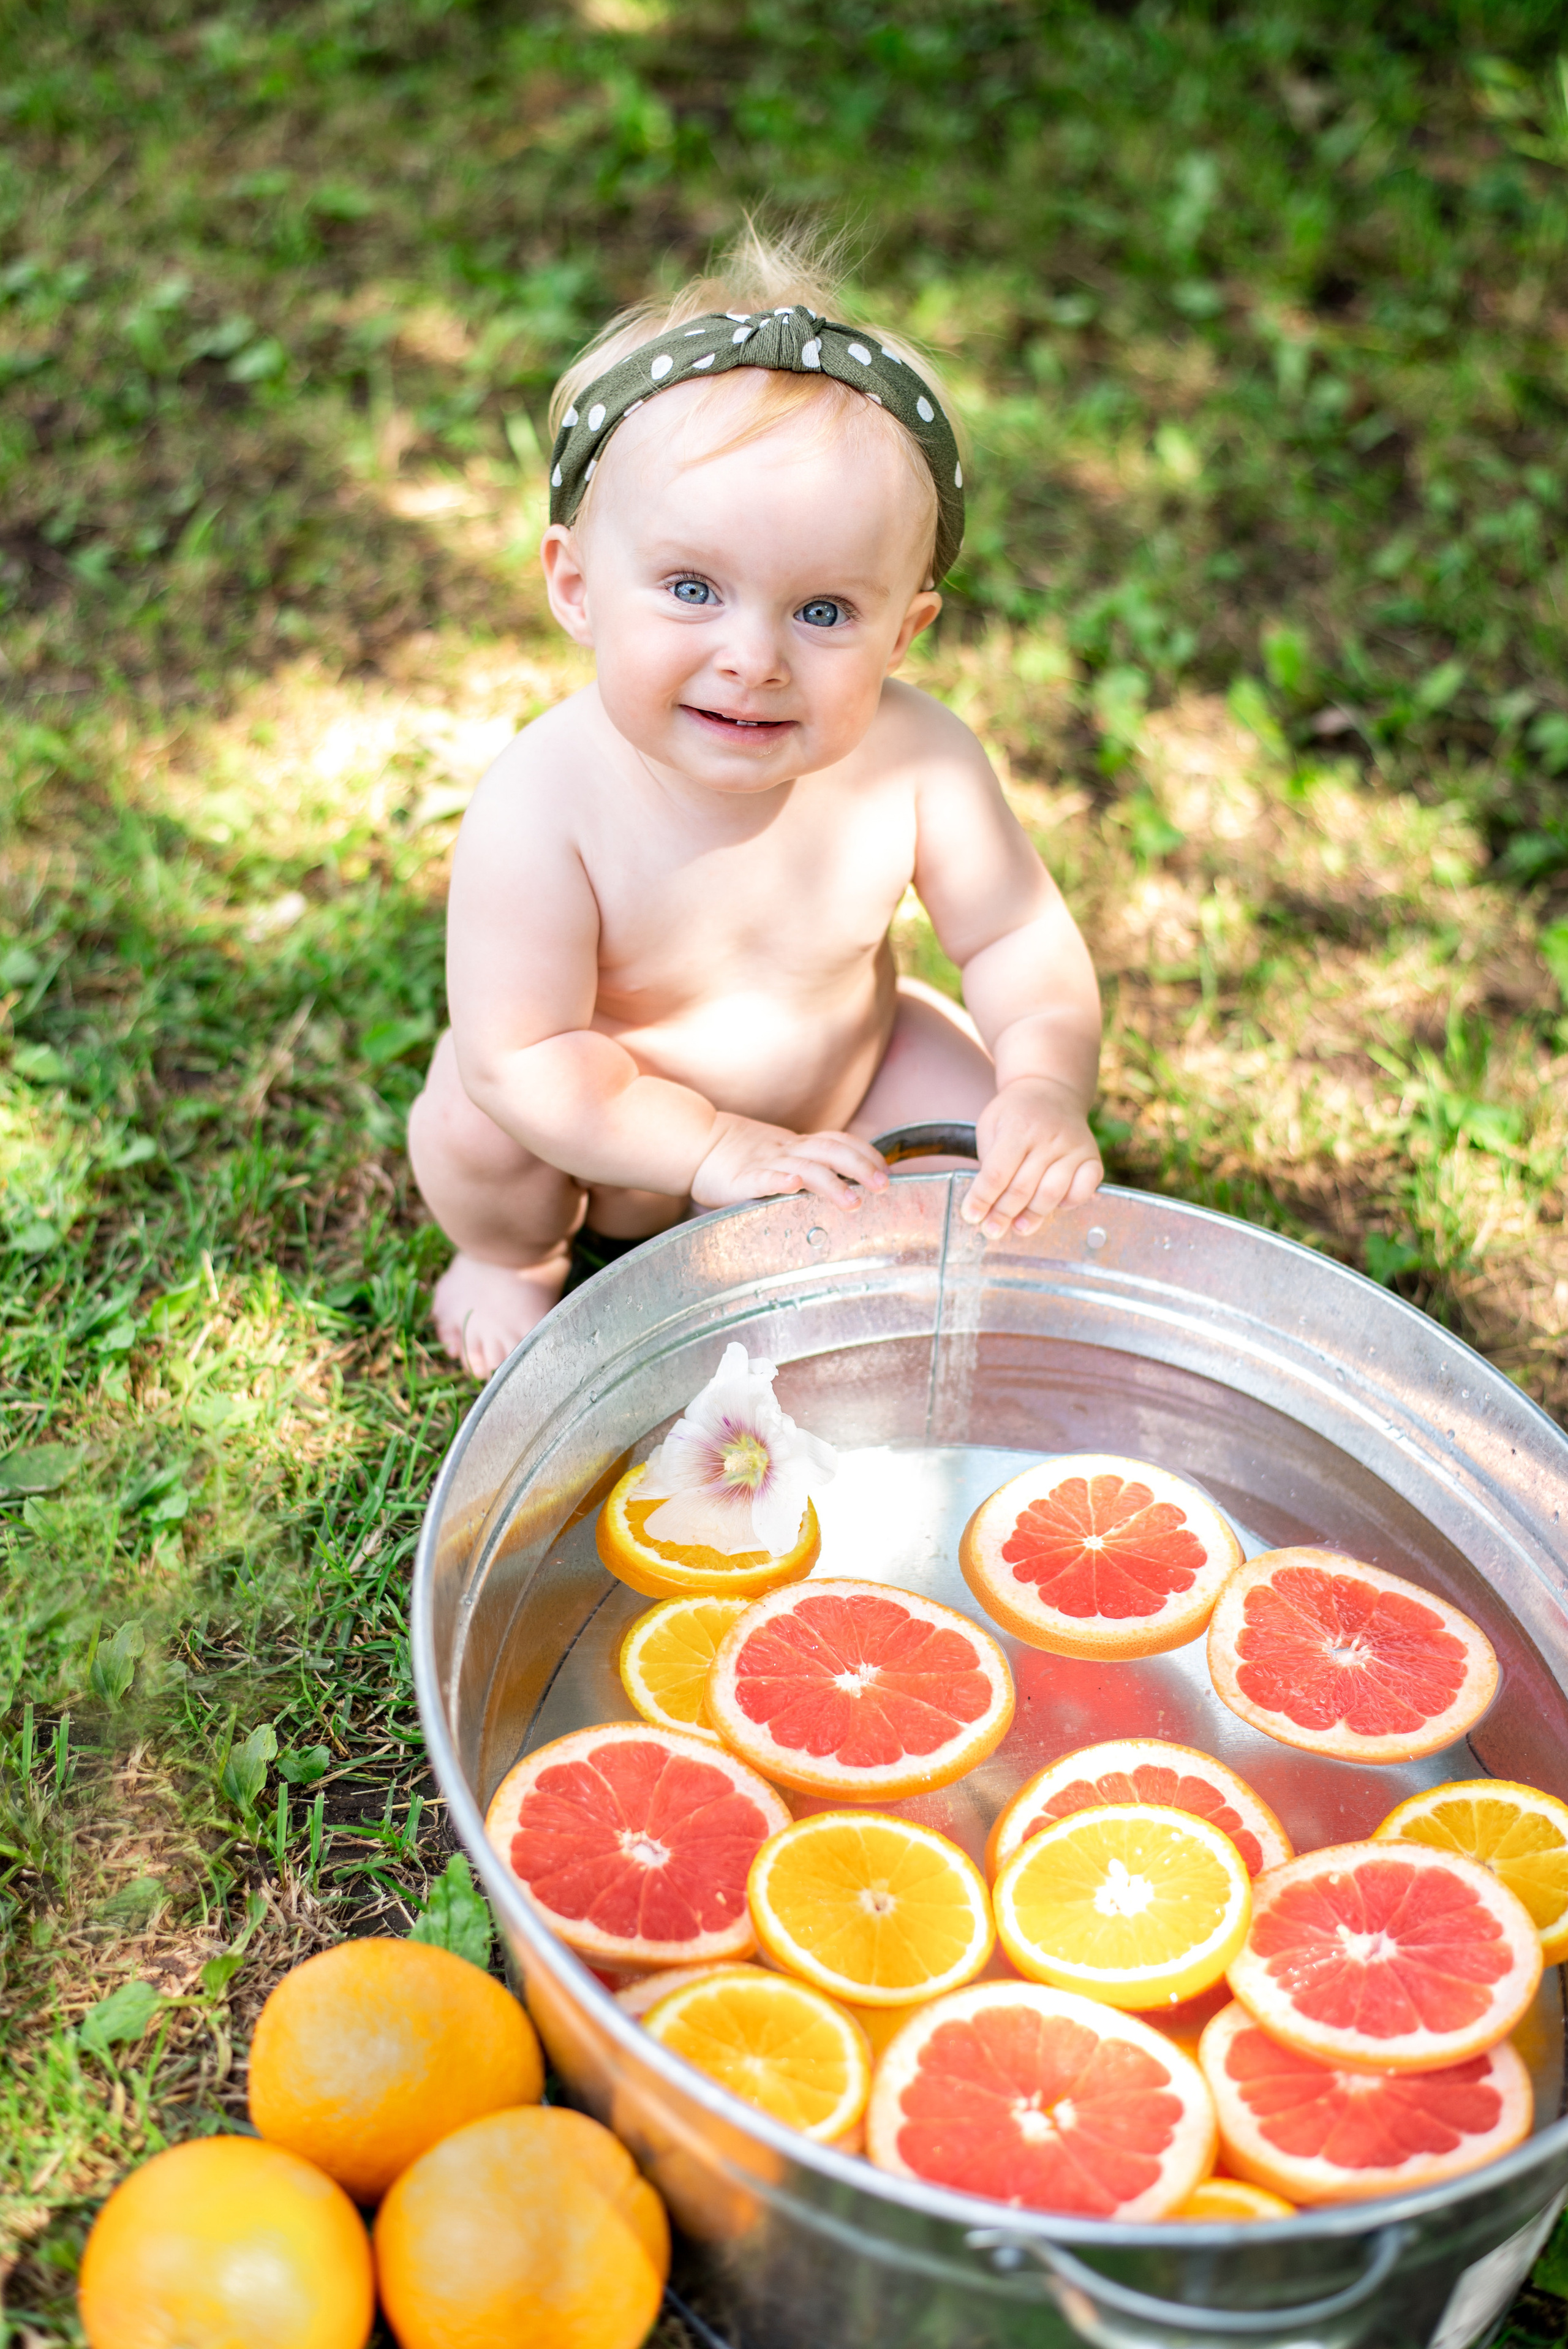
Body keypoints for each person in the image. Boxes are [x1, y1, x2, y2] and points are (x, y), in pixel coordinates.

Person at [409, 229, 1103, 1378]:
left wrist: (1043, 1082)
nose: (754, 657)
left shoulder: (917, 757)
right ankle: (508, 1257)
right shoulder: (546, 802)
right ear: (576, 588)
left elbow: (1018, 932)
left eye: (824, 612)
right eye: (692, 589)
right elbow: (524, 1053)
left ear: (904, 630)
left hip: (844, 1088)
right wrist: (710, 1146)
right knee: (480, 1127)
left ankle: (851, 1248)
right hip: (609, 1143)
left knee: (983, 1148)